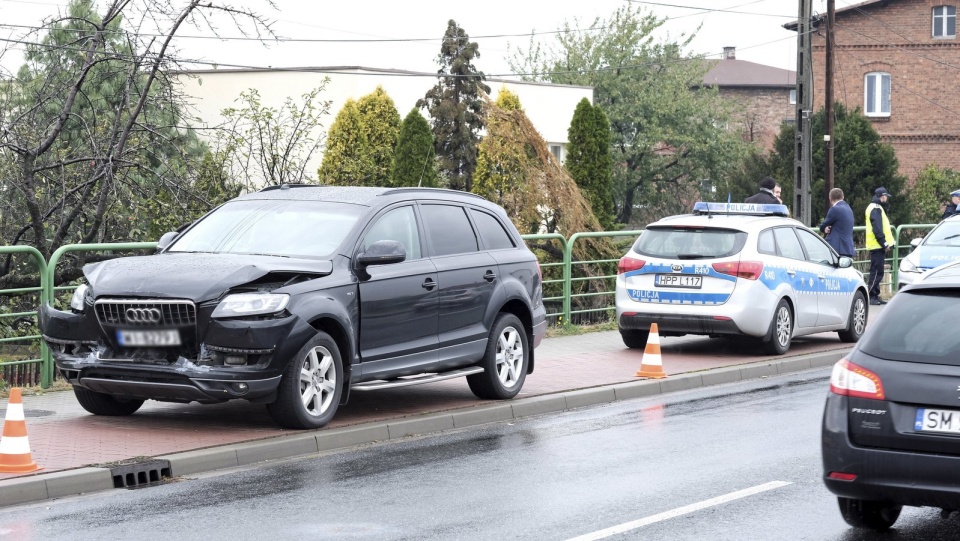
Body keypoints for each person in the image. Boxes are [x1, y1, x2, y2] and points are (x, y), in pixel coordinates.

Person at [865, 187, 894, 305]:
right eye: (885, 196)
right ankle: (871, 295)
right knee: (877, 272)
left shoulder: (876, 208)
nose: (886, 198)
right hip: (877, 245)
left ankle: (875, 295)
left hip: (877, 245)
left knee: (877, 271)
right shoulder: (875, 209)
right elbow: (877, 228)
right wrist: (884, 243)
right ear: (881, 196)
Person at [818, 188, 855, 258]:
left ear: (830, 198)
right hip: (848, 248)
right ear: (843, 196)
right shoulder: (849, 208)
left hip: (837, 250)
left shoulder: (834, 209)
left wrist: (825, 228)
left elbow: (822, 226)